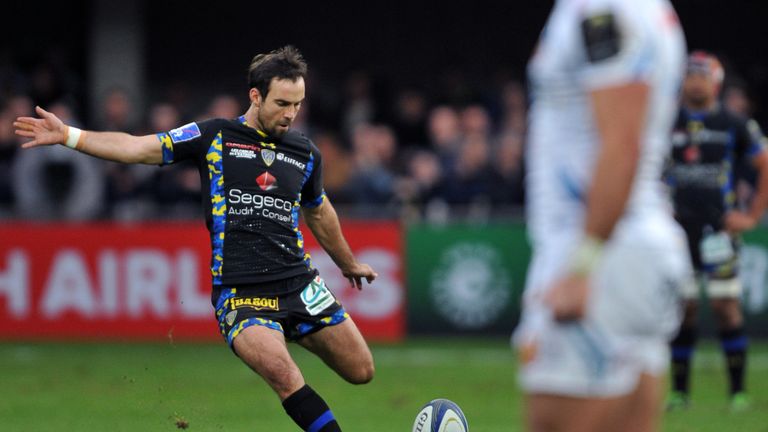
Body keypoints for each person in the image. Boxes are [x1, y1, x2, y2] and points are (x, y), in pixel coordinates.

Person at [14, 45, 376, 432]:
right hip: (242, 294)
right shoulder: (214, 135)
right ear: (255, 95)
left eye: (298, 104)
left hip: (300, 283)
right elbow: (138, 148)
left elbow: (318, 210)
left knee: (362, 370)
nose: (290, 114)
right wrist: (68, 134)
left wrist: (347, 263)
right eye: (282, 103)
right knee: (285, 377)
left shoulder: (305, 152)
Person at [512, 1, 690, 431]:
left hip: (601, 247)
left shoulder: (604, 7)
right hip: (633, 244)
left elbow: (622, 144)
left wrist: (583, 264)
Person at [664, 51, 768, 412]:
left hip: (718, 232)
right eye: (690, 74)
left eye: (702, 75)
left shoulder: (733, 123)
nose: (695, 81)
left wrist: (753, 215)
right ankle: (679, 393)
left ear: (716, 82)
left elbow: (764, 162)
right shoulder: (666, 121)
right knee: (682, 308)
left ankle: (737, 393)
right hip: (676, 232)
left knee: (725, 306)